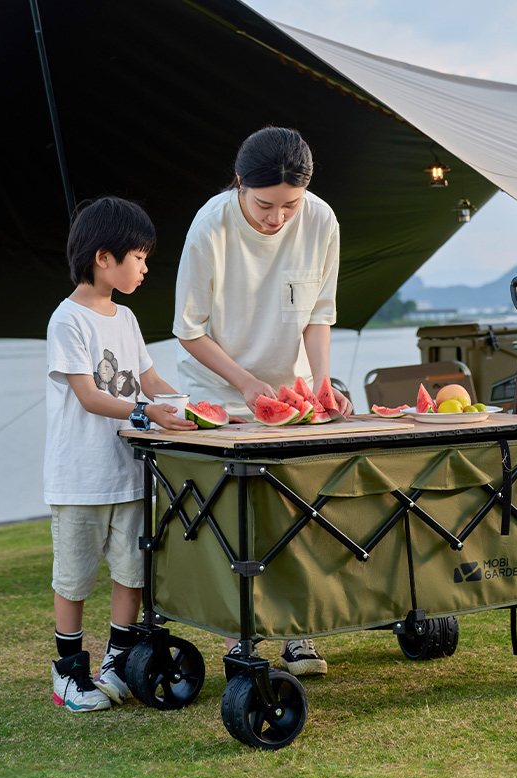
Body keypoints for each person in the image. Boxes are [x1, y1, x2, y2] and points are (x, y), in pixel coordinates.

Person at [173, 126, 351, 677]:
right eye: (265, 205)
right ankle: (239, 638)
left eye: (289, 205)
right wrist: (246, 384)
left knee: (303, 514)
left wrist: (321, 383)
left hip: (294, 394)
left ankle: (300, 636)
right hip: (219, 393)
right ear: (240, 186)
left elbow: (319, 313)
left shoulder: (320, 220)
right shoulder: (211, 224)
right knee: (235, 523)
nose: (277, 219)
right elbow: (189, 329)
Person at [45, 197, 197, 712]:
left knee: (132, 572)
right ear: (104, 257)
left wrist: (186, 405)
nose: (146, 267)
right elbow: (89, 396)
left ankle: (117, 660)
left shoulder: (126, 318)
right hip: (80, 477)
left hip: (130, 474)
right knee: (75, 577)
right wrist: (148, 412)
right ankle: (67, 672)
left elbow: (149, 379)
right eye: (140, 256)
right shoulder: (67, 321)